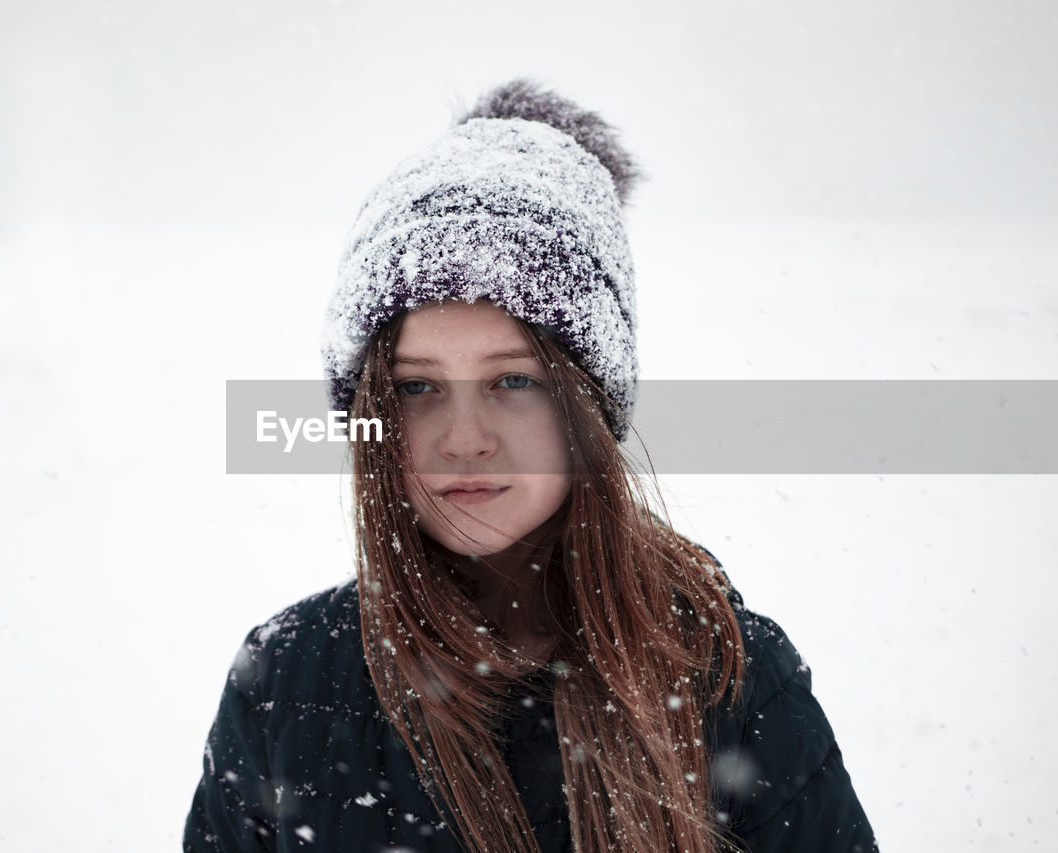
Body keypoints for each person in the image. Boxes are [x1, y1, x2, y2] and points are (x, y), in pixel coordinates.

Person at [185, 80, 877, 852]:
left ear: (585, 407)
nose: (464, 437)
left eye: (512, 380)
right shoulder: (290, 682)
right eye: (417, 387)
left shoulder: (726, 675)